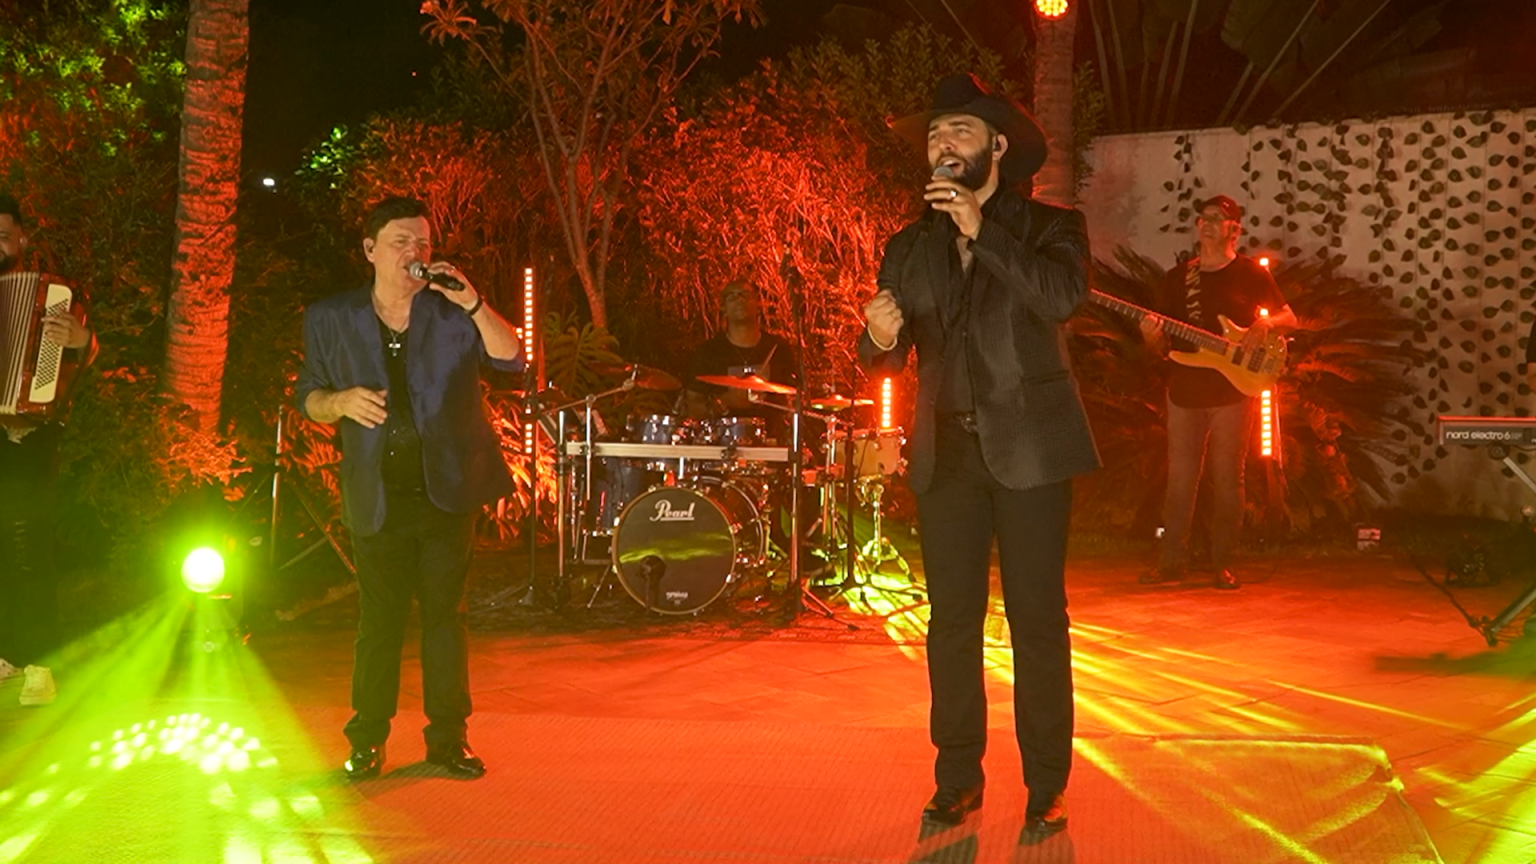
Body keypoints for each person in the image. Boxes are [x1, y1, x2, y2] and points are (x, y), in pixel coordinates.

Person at [859, 74, 1100, 843]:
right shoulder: (908, 246)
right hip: (948, 456)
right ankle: (957, 778)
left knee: (1037, 622)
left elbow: (1060, 299)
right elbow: (884, 355)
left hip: (1030, 450)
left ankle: (1047, 786)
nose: (942, 142)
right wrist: (878, 336)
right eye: (935, 133)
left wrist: (982, 230)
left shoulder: (1051, 228)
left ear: (997, 145)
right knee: (952, 623)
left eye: (958, 129)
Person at [296, 196, 522, 781]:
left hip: (447, 491)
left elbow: (511, 358)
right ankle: (367, 740)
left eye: (422, 242)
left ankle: (448, 740)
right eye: (401, 241)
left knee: (446, 618)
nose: (415, 252)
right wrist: (339, 402)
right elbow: (308, 396)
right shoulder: (330, 317)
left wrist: (473, 302)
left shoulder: (451, 313)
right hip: (377, 494)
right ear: (370, 250)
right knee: (380, 622)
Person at [1138, 195, 1296, 590]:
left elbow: (1290, 317)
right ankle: (1171, 562)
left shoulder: (1249, 273)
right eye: (1202, 217)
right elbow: (1162, 346)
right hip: (1185, 388)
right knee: (1180, 479)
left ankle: (1223, 563)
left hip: (1232, 389)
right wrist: (1151, 337)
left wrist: (1264, 326)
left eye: (1216, 218)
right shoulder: (1178, 278)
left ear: (1234, 229)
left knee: (1228, 478)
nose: (1206, 223)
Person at [0, 192, 97, 707]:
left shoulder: (51, 294)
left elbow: (85, 356)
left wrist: (80, 340)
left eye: (1, 236)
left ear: (21, 238)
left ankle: (41, 663)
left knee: (29, 550)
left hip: (29, 433)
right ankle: (8, 652)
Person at [683, 280, 799, 422]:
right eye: (732, 297)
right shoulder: (708, 352)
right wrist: (723, 403)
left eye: (745, 294)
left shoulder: (779, 349)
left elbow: (793, 399)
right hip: (723, 433)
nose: (739, 300)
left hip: (772, 433)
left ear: (757, 304)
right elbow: (693, 406)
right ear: (723, 308)